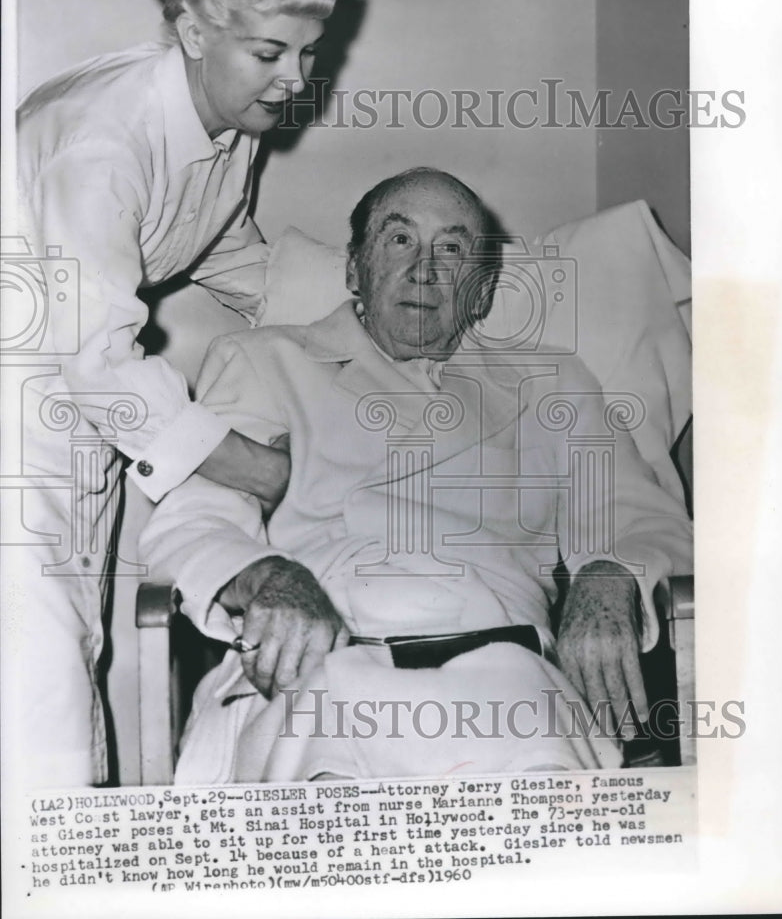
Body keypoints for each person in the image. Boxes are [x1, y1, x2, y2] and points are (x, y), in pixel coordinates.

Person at [140, 167, 694, 782]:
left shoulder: (551, 384)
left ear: (481, 292)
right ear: (354, 270)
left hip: (508, 671)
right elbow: (194, 522)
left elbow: (643, 517)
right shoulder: (266, 361)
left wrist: (610, 573)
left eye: (452, 249)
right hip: (322, 668)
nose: (425, 269)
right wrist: (266, 578)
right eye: (399, 239)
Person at [11, 0, 341, 785]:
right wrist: (266, 470)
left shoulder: (227, 125)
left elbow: (222, 248)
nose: (295, 80)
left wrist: (358, 320)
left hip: (70, 412)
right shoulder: (103, 140)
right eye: (269, 55)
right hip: (24, 408)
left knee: (69, 649)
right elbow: (98, 363)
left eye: (310, 51)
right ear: (194, 31)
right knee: (38, 690)